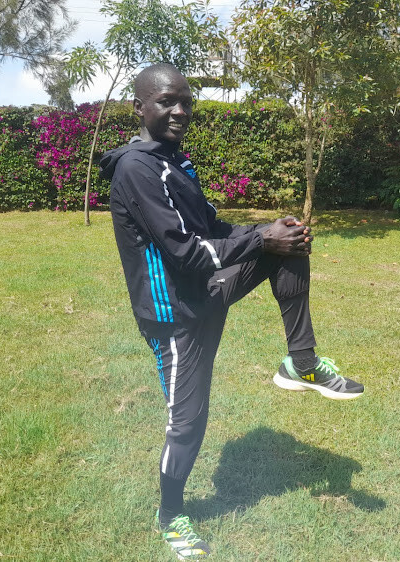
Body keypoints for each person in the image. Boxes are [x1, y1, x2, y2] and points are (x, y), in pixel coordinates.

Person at [99, 63, 364, 560]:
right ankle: (170, 514)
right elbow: (185, 253)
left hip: (205, 291)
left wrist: (269, 232)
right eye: (167, 101)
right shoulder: (137, 169)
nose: (180, 110)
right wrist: (261, 239)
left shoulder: (174, 161)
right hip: (174, 317)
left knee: (289, 242)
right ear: (139, 107)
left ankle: (301, 363)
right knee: (187, 422)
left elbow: (212, 228)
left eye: (186, 101)